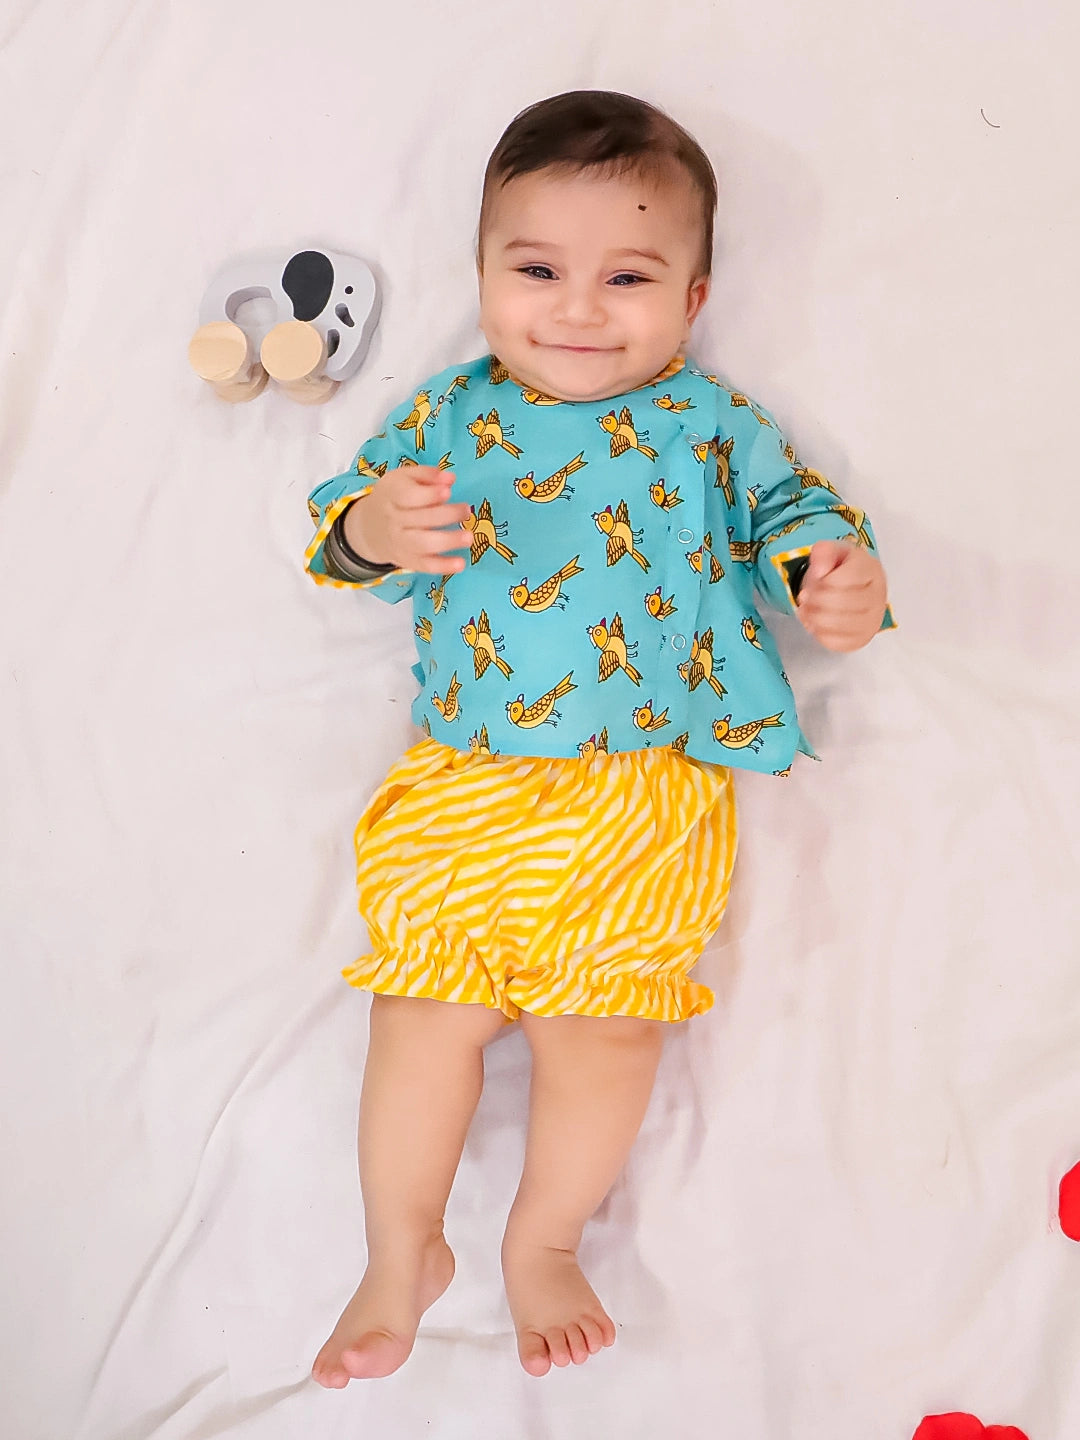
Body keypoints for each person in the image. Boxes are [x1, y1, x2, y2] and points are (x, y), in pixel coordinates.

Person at [303, 90, 890, 1386]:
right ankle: (401, 1248)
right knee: (421, 1011)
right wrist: (374, 531)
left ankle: (544, 1239)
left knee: (607, 1030)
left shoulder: (711, 428)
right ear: (483, 277)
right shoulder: (451, 416)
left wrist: (832, 578)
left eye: (627, 277)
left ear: (692, 299)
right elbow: (342, 523)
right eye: (538, 273)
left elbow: (795, 515)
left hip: (643, 796)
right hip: (466, 781)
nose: (578, 309)